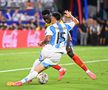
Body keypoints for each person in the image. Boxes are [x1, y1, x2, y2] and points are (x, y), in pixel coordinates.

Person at [7, 10, 75, 86]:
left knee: (38, 62)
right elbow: (76, 22)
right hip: (57, 56)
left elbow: (48, 39)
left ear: (55, 19)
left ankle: (25, 79)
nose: (50, 19)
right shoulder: (66, 26)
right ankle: (21, 82)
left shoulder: (50, 27)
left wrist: (41, 42)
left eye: (52, 17)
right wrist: (71, 16)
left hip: (49, 50)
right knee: (39, 68)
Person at [42, 10, 96, 80]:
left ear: (51, 16)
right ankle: (61, 70)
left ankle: (87, 71)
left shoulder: (57, 21)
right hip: (56, 42)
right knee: (46, 57)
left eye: (47, 18)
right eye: (44, 18)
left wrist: (70, 16)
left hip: (65, 39)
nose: (46, 20)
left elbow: (65, 30)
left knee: (71, 54)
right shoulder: (47, 25)